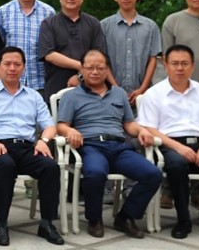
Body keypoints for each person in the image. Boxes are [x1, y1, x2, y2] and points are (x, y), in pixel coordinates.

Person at [136, 44, 199, 239]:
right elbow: (150, 128)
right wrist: (178, 147)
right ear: (166, 65)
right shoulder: (154, 93)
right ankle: (183, 220)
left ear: (192, 66)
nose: (179, 68)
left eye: (184, 64)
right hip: (169, 146)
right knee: (177, 165)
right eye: (174, 63)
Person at [55, 49, 162, 239]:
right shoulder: (72, 96)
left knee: (152, 174)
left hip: (119, 147)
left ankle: (126, 216)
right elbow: (61, 125)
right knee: (95, 173)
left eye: (100, 68)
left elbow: (129, 124)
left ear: (107, 70)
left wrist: (141, 130)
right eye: (90, 68)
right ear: (82, 69)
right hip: (91, 146)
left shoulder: (119, 93)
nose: (95, 72)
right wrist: (70, 131)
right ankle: (94, 219)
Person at [0, 47, 65, 247]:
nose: (12, 68)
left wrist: (43, 141)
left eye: (17, 64)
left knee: (50, 167)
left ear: (24, 68)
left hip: (28, 147)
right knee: (6, 166)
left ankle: (46, 224)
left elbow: (49, 125)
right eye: (7, 64)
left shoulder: (33, 96)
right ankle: (1, 224)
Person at [39, 0, 109, 103]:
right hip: (56, 86)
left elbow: (98, 56)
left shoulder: (93, 23)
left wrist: (80, 76)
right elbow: (49, 55)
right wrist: (80, 66)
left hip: (90, 88)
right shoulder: (48, 23)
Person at [99, 0, 160, 108]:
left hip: (144, 94)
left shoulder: (151, 26)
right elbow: (101, 60)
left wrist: (142, 89)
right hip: (110, 92)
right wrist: (116, 88)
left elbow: (153, 59)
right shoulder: (104, 26)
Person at [0, 0, 55, 91]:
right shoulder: (3, 12)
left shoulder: (48, 12)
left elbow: (52, 47)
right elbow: (0, 47)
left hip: (40, 81)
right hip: (10, 81)